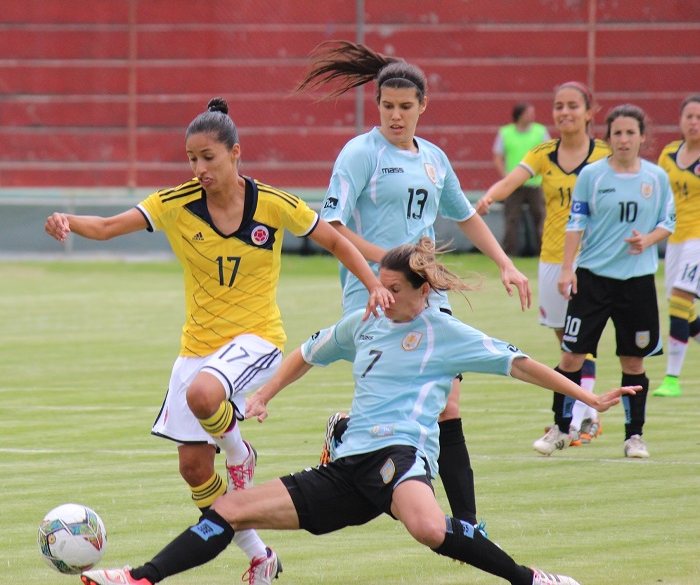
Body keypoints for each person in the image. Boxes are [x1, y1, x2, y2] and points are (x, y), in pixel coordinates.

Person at [79, 239, 642, 585]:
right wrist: (264, 395)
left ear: (423, 291)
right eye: (380, 286)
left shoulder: (444, 332)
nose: (383, 295)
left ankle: (528, 578)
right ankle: (140, 577)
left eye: (393, 287)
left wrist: (586, 396)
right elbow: (305, 352)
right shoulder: (366, 322)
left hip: (400, 454)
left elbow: (518, 364)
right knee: (229, 508)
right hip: (346, 466)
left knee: (426, 527)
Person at [45, 97, 393, 584]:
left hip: (257, 338)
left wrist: (375, 282)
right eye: (191, 158)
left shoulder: (273, 203)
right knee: (192, 468)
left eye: (208, 157)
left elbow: (335, 240)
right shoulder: (176, 203)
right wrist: (69, 220)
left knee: (204, 395)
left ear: (235, 153)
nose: (199, 168)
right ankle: (259, 555)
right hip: (198, 348)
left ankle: (239, 452)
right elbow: (106, 227)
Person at [293, 40, 531, 527]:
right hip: (374, 290)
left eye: (405, 107)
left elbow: (464, 216)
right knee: (397, 399)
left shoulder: (434, 159)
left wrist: (506, 263)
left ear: (423, 106)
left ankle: (465, 520)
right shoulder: (359, 153)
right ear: (376, 105)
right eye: (386, 106)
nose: (395, 116)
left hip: (427, 292)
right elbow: (332, 226)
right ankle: (353, 432)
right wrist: (391, 262)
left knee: (448, 401)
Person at [477, 82, 609, 452]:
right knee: (565, 337)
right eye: (558, 106)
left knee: (577, 340)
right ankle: (589, 410)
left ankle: (580, 411)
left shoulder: (604, 155)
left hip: (592, 258)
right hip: (552, 258)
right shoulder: (543, 153)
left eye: (572, 106)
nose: (564, 112)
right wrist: (489, 197)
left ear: (589, 111)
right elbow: (511, 181)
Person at [552, 104, 675, 459]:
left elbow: (668, 221)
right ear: (608, 138)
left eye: (630, 133)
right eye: (617, 133)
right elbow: (575, 223)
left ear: (642, 138)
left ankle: (633, 437)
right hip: (592, 279)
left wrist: (648, 240)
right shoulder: (592, 176)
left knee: (633, 362)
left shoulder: (656, 177)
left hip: (636, 283)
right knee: (571, 354)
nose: (623, 140)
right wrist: (566, 268)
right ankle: (561, 429)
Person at [653, 94, 700, 397]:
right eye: (689, 117)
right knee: (682, 307)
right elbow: (657, 193)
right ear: (680, 121)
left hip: (698, 238)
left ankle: (672, 378)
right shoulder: (669, 154)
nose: (694, 123)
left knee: (680, 299)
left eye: (698, 117)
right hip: (674, 238)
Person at [492, 102, 550, 256]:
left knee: (540, 218)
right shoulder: (506, 132)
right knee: (511, 219)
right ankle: (509, 252)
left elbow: (549, 154)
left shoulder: (540, 131)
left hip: (535, 183)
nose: (532, 115)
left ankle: (544, 251)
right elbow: (498, 156)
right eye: (528, 112)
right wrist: (505, 175)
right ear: (519, 114)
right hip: (513, 184)